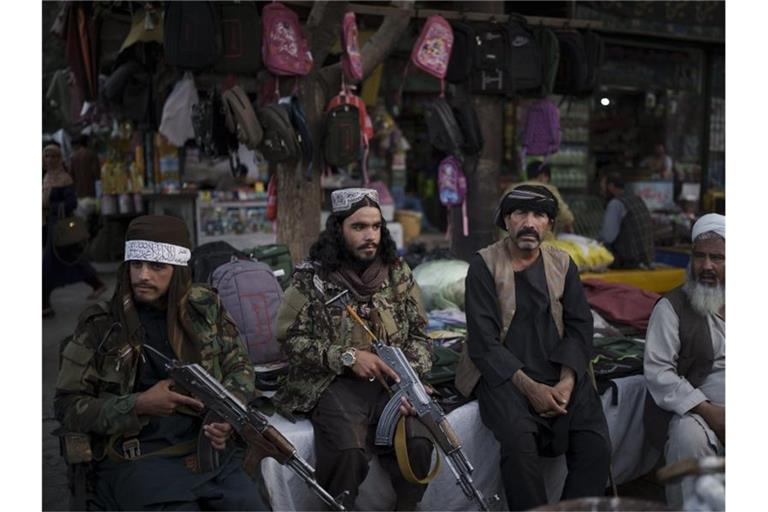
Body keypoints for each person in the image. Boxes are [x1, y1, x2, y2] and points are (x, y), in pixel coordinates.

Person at [54, 215, 269, 511]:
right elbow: (66, 406)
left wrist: (226, 415)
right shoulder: (101, 325)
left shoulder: (204, 308)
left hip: (206, 453)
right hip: (138, 457)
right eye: (136, 265)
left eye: (157, 267)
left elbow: (240, 367)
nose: (143, 275)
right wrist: (138, 404)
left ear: (178, 270)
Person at [273, 188, 433, 510]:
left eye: (376, 226)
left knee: (418, 444)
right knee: (347, 454)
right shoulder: (312, 278)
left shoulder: (397, 273)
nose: (370, 236)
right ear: (339, 229)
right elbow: (290, 339)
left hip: (392, 384)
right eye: (359, 227)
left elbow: (420, 335)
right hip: (334, 383)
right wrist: (347, 357)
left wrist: (409, 379)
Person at [456, 185, 611, 511]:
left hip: (561, 370)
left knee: (595, 448)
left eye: (539, 215)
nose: (529, 222)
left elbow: (580, 327)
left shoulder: (563, 264)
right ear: (506, 220)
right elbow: (483, 343)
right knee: (518, 446)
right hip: (506, 376)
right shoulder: (484, 265)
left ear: (549, 224)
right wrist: (532, 389)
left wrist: (568, 382)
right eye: (520, 214)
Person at [643, 213, 725, 509]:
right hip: (697, 411)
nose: (706, 266)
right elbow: (658, 371)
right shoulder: (672, 307)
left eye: (717, 258)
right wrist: (708, 410)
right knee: (686, 438)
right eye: (699, 256)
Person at [43, 143, 106, 317]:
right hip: (47, 225)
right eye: (47, 156)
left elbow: (71, 203)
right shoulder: (45, 177)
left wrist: (51, 206)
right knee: (71, 259)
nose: (50, 160)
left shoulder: (65, 179)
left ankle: (43, 304)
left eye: (54, 156)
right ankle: (96, 283)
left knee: (46, 264)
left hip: (61, 226)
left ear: (60, 158)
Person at [597, 171, 655, 269]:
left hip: (629, 262)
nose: (601, 192)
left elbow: (607, 237)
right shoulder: (637, 199)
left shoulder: (615, 204)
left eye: (602, 188)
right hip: (647, 258)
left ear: (610, 186)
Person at [505, 161, 575, 234]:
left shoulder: (512, 188)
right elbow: (566, 216)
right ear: (543, 175)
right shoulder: (549, 190)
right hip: (540, 240)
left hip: (512, 239)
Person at [70, 134, 101, 199]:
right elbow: (97, 174)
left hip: (79, 192)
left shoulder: (73, 157)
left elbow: (71, 175)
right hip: (91, 191)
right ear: (87, 142)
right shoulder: (92, 154)